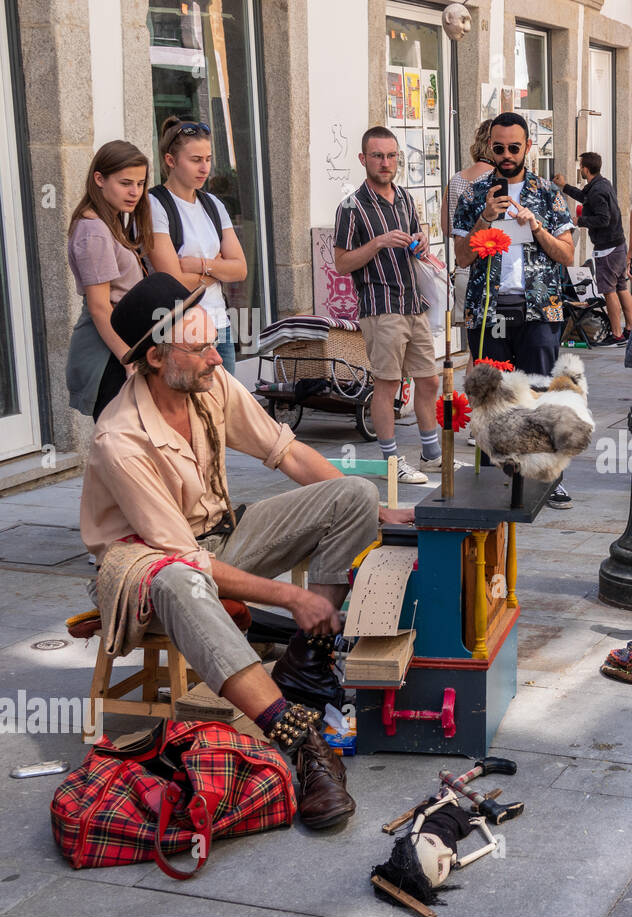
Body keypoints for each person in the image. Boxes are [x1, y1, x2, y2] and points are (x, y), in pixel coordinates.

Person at [81, 273, 418, 828]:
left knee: (352, 494)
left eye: (214, 340)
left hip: (219, 537)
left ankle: (306, 664)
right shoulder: (120, 439)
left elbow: (285, 451)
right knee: (179, 578)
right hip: (144, 566)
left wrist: (380, 510)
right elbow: (184, 558)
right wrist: (289, 596)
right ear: (157, 359)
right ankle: (302, 740)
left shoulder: (209, 384)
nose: (218, 358)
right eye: (200, 348)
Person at [454, 112, 577, 507]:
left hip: (540, 310)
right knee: (493, 397)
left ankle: (545, 476)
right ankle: (495, 477)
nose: (506, 155)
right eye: (498, 147)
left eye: (514, 147)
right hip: (489, 310)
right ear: (488, 147)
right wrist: (484, 220)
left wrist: (537, 227)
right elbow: (461, 258)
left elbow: (568, 256)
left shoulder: (548, 193)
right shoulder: (474, 194)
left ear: (527, 148)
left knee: (539, 392)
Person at [334, 126, 442, 486]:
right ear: (363, 159)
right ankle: (392, 461)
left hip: (413, 302)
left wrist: (421, 239)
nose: (386, 162)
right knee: (387, 384)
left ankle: (431, 455)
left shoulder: (406, 198)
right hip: (380, 306)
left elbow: (416, 238)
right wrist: (378, 242)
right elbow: (342, 263)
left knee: (428, 381)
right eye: (378, 156)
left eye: (392, 155)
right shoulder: (351, 206)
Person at [146, 118, 247, 374]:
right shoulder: (154, 206)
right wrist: (216, 269)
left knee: (223, 409)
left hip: (219, 325)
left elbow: (240, 269)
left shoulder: (213, 204)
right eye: (195, 160)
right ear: (170, 160)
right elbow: (173, 282)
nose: (205, 168)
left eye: (208, 159)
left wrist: (198, 266)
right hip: (182, 331)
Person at [66, 141, 152, 420]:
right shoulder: (94, 230)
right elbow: (99, 307)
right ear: (99, 179)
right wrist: (128, 359)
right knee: (120, 450)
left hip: (121, 348)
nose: (134, 192)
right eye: (125, 183)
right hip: (109, 356)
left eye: (140, 183)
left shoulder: (109, 223)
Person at [562, 151, 632, 345]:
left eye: (581, 166)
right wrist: (564, 187)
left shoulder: (597, 190)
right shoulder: (601, 184)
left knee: (609, 291)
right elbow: (584, 197)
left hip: (607, 248)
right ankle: (630, 329)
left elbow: (603, 219)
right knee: (621, 288)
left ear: (585, 168)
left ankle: (616, 335)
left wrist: (580, 220)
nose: (580, 170)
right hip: (617, 245)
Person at [443, 119, 496, 325]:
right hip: (490, 273)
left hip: (464, 272)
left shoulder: (456, 179)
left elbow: (448, 228)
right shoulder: (496, 179)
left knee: (475, 349)